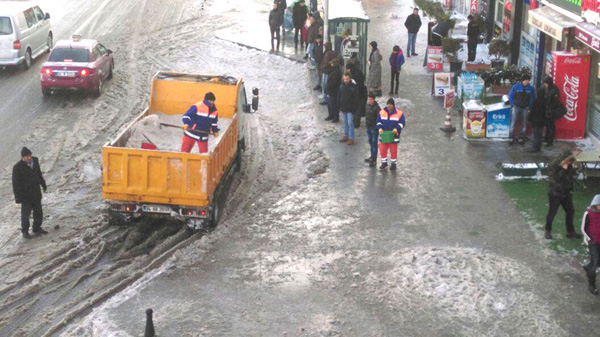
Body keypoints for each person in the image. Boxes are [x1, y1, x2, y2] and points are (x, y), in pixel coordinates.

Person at [545, 150, 583, 240]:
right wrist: (563, 169)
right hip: (555, 193)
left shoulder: (569, 165)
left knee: (570, 211)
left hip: (566, 193)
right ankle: (548, 230)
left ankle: (570, 232)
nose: (570, 163)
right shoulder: (554, 165)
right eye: (569, 161)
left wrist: (576, 167)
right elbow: (556, 179)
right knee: (552, 212)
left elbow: (572, 176)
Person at [13, 147, 48, 239]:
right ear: (22, 157)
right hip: (26, 196)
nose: (29, 157)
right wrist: (17, 197)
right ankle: (25, 231)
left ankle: (36, 228)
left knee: (38, 212)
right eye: (27, 156)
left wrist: (43, 184)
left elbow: (38, 174)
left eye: (30, 155)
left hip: (36, 192)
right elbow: (15, 184)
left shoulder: (35, 160)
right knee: (26, 215)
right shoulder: (17, 167)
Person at [377, 98, 405, 171]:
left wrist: (397, 129)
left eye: (390, 104)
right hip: (384, 135)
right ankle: (384, 162)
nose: (388, 106)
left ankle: (393, 164)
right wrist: (379, 128)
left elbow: (402, 123)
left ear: (393, 105)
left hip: (394, 136)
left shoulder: (399, 113)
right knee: (382, 149)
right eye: (388, 104)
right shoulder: (382, 112)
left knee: (393, 150)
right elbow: (378, 121)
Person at [508, 74, 535, 145]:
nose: (527, 82)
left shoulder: (531, 88)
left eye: (528, 80)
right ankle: (511, 137)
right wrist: (513, 104)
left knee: (524, 123)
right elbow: (510, 95)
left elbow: (532, 98)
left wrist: (529, 105)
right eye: (525, 80)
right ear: (522, 81)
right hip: (516, 107)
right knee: (513, 122)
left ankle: (521, 137)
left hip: (525, 108)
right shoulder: (516, 87)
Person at [582, 195, 600, 295]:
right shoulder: (588, 214)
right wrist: (589, 239)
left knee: (598, 262)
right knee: (595, 264)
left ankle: (588, 267)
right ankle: (591, 285)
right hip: (593, 242)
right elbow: (583, 229)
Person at [337, 72, 358, 145]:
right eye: (345, 79)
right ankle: (346, 136)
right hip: (344, 107)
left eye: (347, 79)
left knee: (350, 123)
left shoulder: (353, 87)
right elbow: (339, 96)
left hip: (350, 108)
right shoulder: (342, 86)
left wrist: (354, 108)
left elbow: (356, 99)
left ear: (350, 79)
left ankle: (351, 138)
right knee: (345, 122)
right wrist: (339, 105)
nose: (345, 80)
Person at [346, 62, 367, 127]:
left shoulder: (354, 75)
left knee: (358, 108)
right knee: (359, 108)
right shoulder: (358, 71)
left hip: (359, 93)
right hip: (362, 92)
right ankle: (356, 121)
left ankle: (356, 122)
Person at [526, 87, 547, 152]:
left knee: (535, 134)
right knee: (539, 135)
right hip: (542, 120)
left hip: (535, 120)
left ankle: (535, 148)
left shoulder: (536, 101)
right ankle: (538, 147)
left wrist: (528, 118)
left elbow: (532, 110)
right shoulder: (545, 101)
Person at [543, 76, 561, 147]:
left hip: (552, 111)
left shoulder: (554, 90)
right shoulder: (549, 89)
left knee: (551, 126)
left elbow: (556, 102)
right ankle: (546, 138)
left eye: (545, 83)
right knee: (547, 125)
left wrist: (551, 108)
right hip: (548, 110)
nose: (545, 85)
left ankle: (550, 140)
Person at [365, 94, 381, 167]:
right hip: (369, 126)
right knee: (371, 142)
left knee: (374, 143)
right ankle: (372, 157)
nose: (369, 101)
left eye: (370, 99)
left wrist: (376, 126)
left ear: (374, 99)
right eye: (368, 99)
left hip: (374, 128)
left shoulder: (377, 108)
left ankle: (374, 160)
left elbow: (379, 119)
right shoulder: (367, 106)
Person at [325, 58, 342, 122]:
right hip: (330, 90)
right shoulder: (333, 70)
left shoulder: (337, 72)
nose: (331, 64)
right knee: (329, 104)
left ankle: (335, 117)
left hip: (333, 91)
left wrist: (329, 87)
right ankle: (331, 115)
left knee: (333, 104)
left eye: (332, 63)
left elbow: (334, 83)